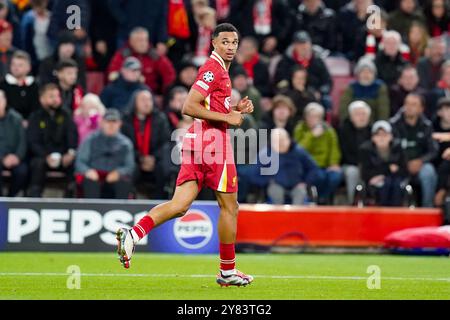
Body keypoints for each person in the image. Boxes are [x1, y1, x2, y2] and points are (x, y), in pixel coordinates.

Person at [116, 23, 255, 287]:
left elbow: (207, 105)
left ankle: (133, 234)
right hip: (212, 143)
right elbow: (188, 106)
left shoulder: (219, 70)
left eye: (234, 42)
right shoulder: (213, 69)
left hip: (196, 142)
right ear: (213, 42)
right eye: (225, 42)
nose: (230, 47)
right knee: (229, 207)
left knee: (180, 205)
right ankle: (228, 271)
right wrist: (229, 117)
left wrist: (236, 108)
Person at [27, 84, 78, 198]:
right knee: (37, 164)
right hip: (43, 156)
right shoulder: (35, 117)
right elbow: (33, 142)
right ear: (42, 99)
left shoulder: (66, 115)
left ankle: (71, 198)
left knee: (75, 165)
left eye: (57, 96)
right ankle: (34, 198)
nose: (55, 99)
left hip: (63, 156)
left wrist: (70, 153)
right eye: (51, 96)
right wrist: (46, 156)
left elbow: (72, 136)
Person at [390, 93, 439, 208]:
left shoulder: (427, 126)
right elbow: (390, 149)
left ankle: (428, 210)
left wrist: (420, 161)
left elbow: (433, 150)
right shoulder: (393, 124)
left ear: (421, 109)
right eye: (407, 104)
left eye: (414, 104)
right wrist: (403, 163)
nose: (409, 107)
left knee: (429, 172)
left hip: (420, 165)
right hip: (398, 164)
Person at [121, 89, 172, 199]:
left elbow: (166, 142)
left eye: (149, 99)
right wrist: (140, 158)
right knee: (129, 169)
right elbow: (124, 143)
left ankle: (160, 203)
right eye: (143, 100)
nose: (147, 103)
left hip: (156, 159)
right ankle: (128, 201)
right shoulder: (125, 119)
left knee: (163, 168)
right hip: (134, 159)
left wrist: (154, 158)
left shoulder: (160, 118)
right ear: (134, 102)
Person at [76, 109, 135, 199]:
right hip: (94, 176)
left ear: (120, 123)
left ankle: (121, 210)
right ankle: (91, 210)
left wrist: (119, 172)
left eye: (114, 122)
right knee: (90, 182)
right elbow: (80, 161)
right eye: (108, 122)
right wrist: (87, 171)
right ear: (102, 123)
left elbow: (130, 166)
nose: (111, 125)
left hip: (115, 176)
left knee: (124, 182)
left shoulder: (126, 143)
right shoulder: (90, 140)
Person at [294, 102, 343, 204]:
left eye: (317, 116)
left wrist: (333, 164)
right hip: (308, 166)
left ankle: (323, 198)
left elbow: (334, 149)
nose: (313, 119)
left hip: (325, 166)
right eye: (311, 116)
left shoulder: (329, 130)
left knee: (335, 176)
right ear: (306, 117)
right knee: (319, 176)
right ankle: (314, 199)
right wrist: (311, 136)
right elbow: (298, 150)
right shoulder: (300, 129)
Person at [107, 27, 176, 96]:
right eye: (139, 40)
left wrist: (164, 95)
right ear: (131, 41)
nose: (143, 43)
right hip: (126, 95)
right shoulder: (122, 55)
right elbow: (112, 76)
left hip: (151, 96)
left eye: (145, 40)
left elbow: (169, 74)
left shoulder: (155, 56)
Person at [275, 31, 332, 110]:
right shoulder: (285, 62)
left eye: (305, 43)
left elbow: (327, 81)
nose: (303, 47)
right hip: (291, 94)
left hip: (313, 94)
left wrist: (320, 92)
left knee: (326, 101)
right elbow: (279, 81)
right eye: (300, 44)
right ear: (294, 45)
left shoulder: (318, 61)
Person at [263, 128, 319, 205]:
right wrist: (268, 180)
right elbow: (254, 172)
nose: (280, 144)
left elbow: (314, 168)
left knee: (301, 193)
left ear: (288, 139)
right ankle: (277, 216)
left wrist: (306, 182)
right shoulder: (266, 153)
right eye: (276, 141)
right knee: (275, 192)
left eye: (282, 140)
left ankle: (296, 216)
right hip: (277, 185)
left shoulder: (299, 151)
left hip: (297, 185)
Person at [359, 121, 407, 207]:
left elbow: (404, 170)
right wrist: (388, 169)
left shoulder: (398, 148)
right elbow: (365, 172)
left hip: (395, 180)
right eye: (378, 135)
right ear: (373, 138)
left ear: (391, 137)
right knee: (384, 184)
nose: (381, 138)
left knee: (393, 184)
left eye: (385, 135)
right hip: (373, 181)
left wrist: (383, 173)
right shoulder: (365, 150)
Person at [339, 101, 372, 205]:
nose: (361, 117)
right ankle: (352, 204)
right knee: (353, 172)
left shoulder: (374, 131)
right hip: (349, 165)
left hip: (370, 165)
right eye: (357, 114)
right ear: (351, 117)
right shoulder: (343, 130)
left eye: (363, 114)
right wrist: (359, 164)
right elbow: (344, 153)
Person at [339, 57, 390, 125]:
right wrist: (347, 123)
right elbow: (344, 107)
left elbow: (383, 109)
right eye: (363, 72)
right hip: (354, 124)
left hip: (373, 123)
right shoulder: (351, 87)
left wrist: (380, 124)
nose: (366, 75)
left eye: (369, 72)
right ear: (358, 74)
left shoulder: (380, 87)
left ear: (374, 74)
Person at [0, 89, 27, 196]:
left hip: (15, 157)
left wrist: (17, 156)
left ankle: (11, 198)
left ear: (5, 101)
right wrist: (2, 158)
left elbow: (23, 141)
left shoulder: (16, 118)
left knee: (22, 171)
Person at [0, 50, 39, 121]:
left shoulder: (35, 86)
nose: (16, 68)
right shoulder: (2, 86)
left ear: (28, 68)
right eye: (13, 64)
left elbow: (36, 108)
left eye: (20, 65)